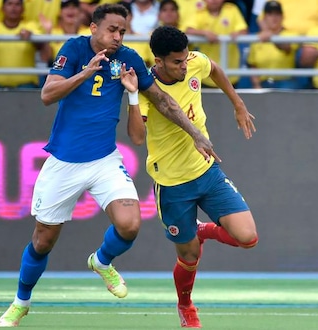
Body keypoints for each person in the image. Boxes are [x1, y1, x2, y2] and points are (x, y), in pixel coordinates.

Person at [0, 4, 216, 328]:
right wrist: (85, 72)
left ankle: (101, 261)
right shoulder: (73, 50)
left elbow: (163, 100)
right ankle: (21, 302)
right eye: (112, 30)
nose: (117, 36)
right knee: (43, 241)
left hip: (104, 160)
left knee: (130, 224)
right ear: (94, 28)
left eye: (123, 31)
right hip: (64, 162)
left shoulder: (127, 59)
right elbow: (47, 94)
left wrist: (196, 133)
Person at [123, 25, 258, 328]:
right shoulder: (147, 90)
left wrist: (238, 104)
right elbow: (135, 137)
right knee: (189, 257)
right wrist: (132, 97)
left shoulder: (193, 61)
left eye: (185, 60)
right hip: (172, 185)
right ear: (158, 62)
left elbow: (216, 70)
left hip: (206, 171)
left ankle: (204, 230)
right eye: (176, 62)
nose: (184, 66)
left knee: (248, 237)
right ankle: (185, 305)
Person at [0, 0, 51, 89]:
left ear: (23, 9)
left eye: (17, 4)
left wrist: (31, 35)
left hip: (26, 86)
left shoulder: (30, 25)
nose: (13, 8)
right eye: (9, 4)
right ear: (2, 8)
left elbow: (41, 44)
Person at [185, 0, 248, 88]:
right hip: (207, 74)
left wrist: (237, 34)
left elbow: (243, 30)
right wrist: (204, 33)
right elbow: (188, 30)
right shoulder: (199, 12)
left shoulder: (232, 9)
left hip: (229, 74)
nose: (214, 0)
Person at [247, 1, 300, 89]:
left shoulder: (291, 34)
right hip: (263, 82)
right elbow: (253, 65)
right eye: (270, 14)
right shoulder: (257, 38)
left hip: (285, 82)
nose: (274, 18)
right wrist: (257, 85)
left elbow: (286, 48)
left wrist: (272, 37)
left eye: (277, 14)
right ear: (264, 18)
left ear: (282, 17)